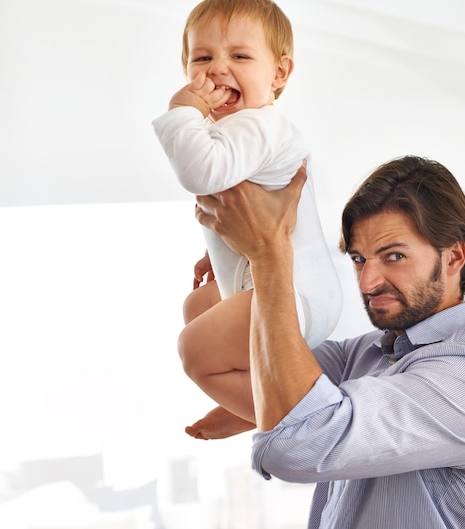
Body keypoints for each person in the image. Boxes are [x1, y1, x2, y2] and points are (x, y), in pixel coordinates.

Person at [195, 155, 465, 529]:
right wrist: (237, 268)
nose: (367, 282)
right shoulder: (365, 355)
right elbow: (238, 361)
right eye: (359, 259)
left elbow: (294, 445)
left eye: (394, 256)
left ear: (454, 256)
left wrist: (268, 255)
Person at [152, 0, 342, 438]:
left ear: (279, 74)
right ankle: (252, 393)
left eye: (239, 56)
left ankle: (273, 410)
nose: (218, 69)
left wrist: (183, 109)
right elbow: (243, 198)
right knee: (197, 306)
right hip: (269, 282)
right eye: (203, 58)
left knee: (195, 352)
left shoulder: (259, 127)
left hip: (294, 295)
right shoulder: (237, 133)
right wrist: (212, 248)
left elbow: (200, 172)